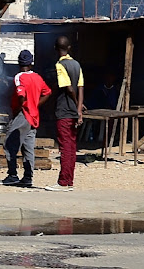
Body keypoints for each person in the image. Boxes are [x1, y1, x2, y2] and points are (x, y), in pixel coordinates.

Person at [0, 50, 51, 187]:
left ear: (19, 62)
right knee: (28, 148)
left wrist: (20, 108)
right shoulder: (38, 77)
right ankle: (28, 177)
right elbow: (47, 92)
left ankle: (12, 175)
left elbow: (21, 95)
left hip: (23, 114)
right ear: (31, 62)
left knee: (10, 144)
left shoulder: (19, 77)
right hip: (34, 116)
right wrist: (35, 104)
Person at [45, 36, 84, 192]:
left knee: (65, 147)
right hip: (73, 111)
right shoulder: (76, 64)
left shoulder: (60, 65)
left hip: (64, 111)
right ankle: (69, 181)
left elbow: (68, 88)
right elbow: (80, 87)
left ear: (56, 48)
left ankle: (63, 182)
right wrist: (79, 109)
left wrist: (75, 104)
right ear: (69, 48)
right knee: (71, 146)